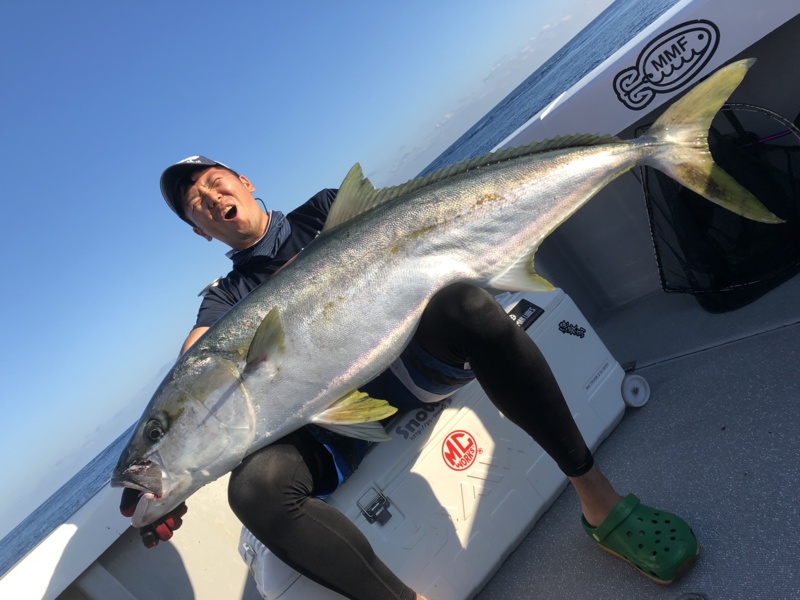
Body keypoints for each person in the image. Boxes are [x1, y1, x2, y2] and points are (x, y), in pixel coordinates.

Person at [128, 155, 699, 599]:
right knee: (253, 490)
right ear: (201, 232)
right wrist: (173, 471)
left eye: (213, 183)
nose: (208, 198)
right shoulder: (224, 302)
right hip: (337, 425)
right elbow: (198, 369)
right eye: (194, 206)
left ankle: (600, 504)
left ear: (243, 182)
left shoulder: (327, 211)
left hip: (413, 367)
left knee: (470, 306)